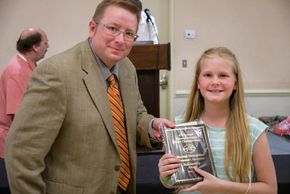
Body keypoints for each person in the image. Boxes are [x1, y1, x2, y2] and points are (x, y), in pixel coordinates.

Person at [5, 1, 174, 194]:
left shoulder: (127, 68)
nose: (121, 39)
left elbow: (136, 115)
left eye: (129, 33)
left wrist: (151, 126)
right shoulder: (55, 73)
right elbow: (22, 154)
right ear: (92, 28)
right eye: (112, 28)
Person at [158, 47, 277, 194]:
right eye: (207, 75)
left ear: (235, 83)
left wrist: (221, 187)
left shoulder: (253, 129)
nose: (215, 81)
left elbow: (270, 189)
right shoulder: (179, 125)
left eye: (223, 75)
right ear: (198, 82)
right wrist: (166, 177)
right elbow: (174, 183)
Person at [0, 28, 48, 193]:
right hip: (11, 147)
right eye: (45, 43)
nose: (47, 46)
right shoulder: (17, 71)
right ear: (35, 47)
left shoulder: (29, 66)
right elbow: (19, 117)